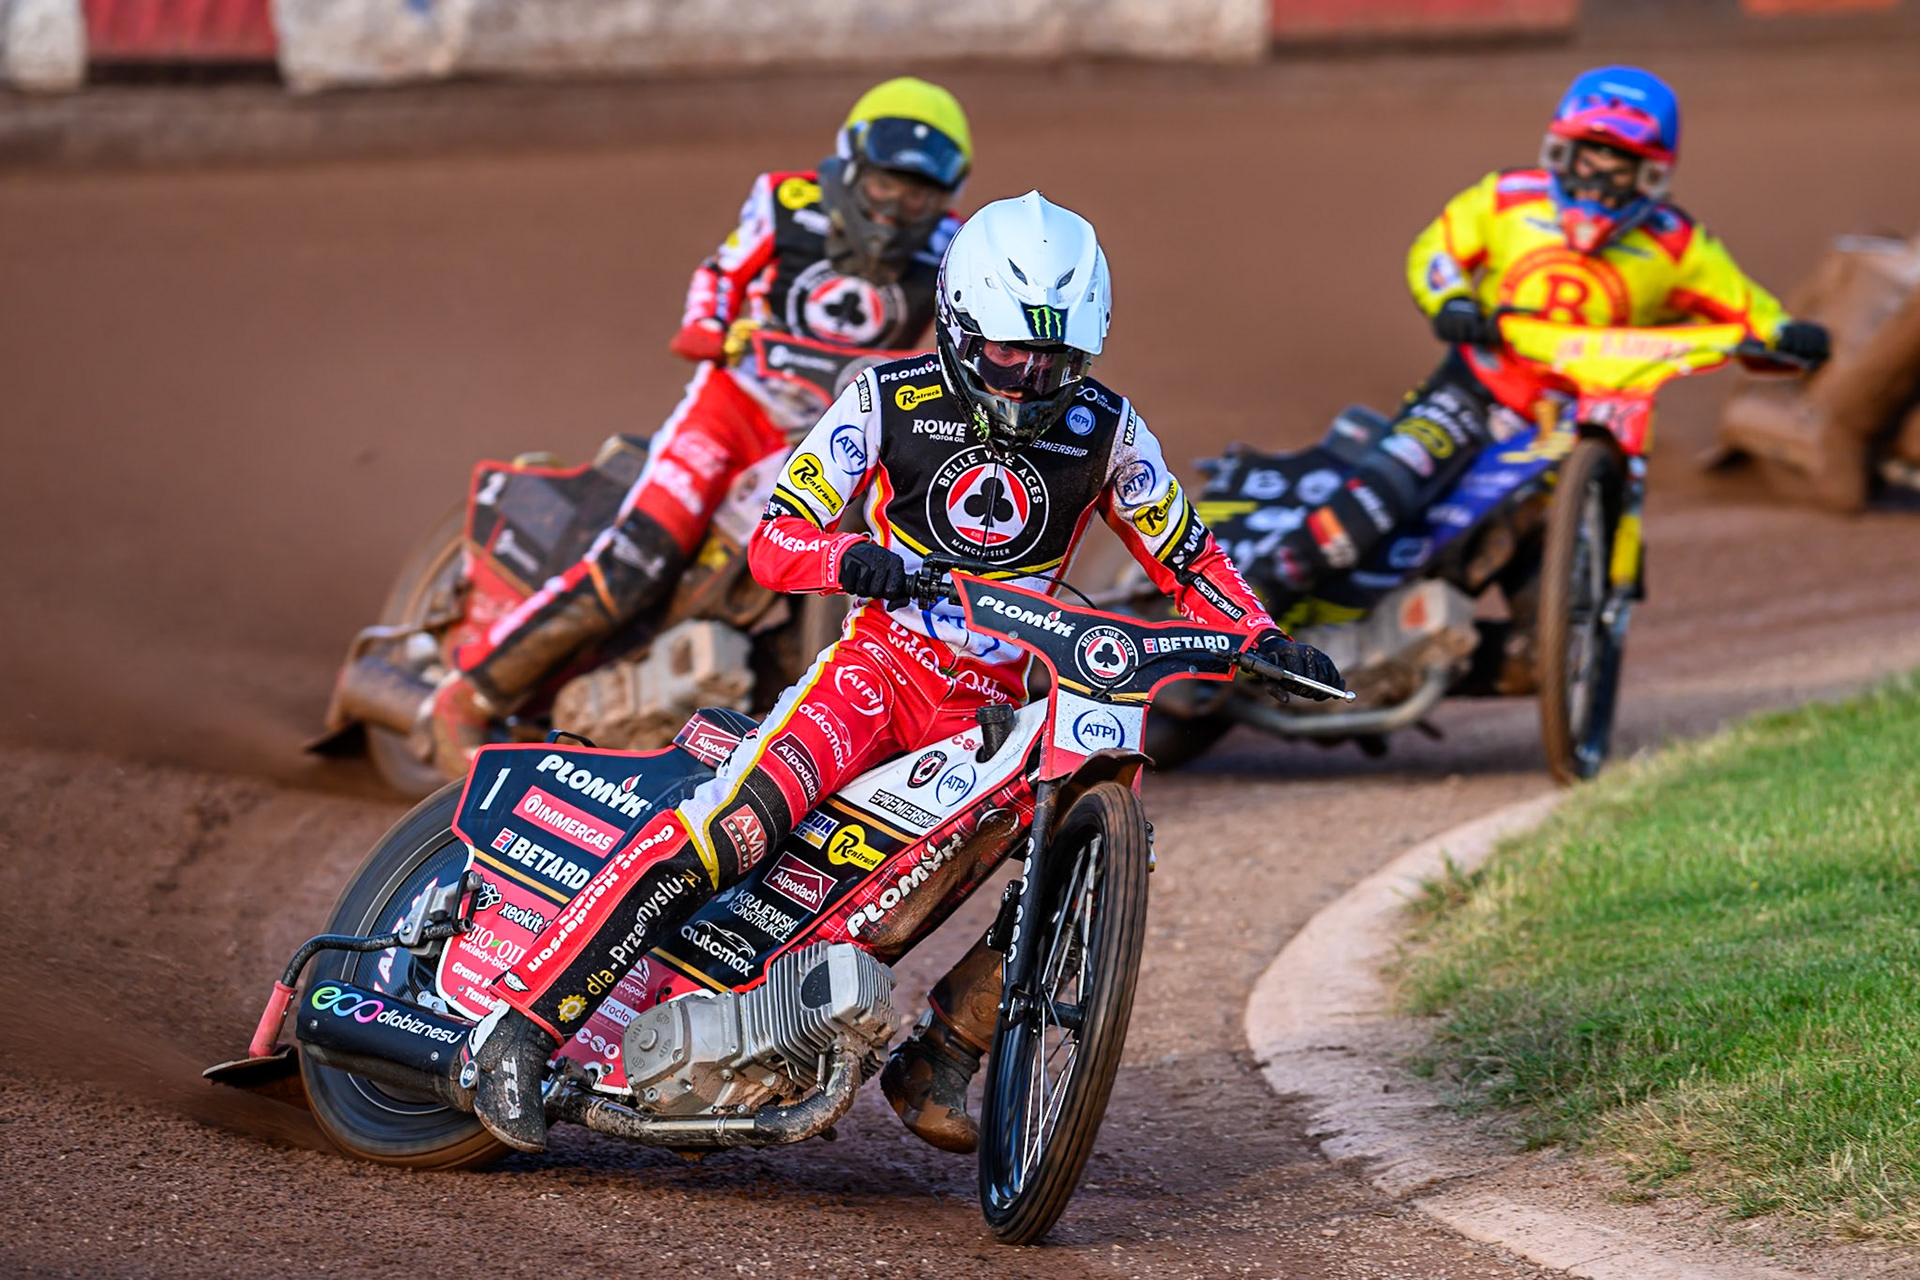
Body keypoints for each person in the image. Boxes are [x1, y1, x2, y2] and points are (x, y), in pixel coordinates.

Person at [466, 191, 1345, 1154]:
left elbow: (1190, 558)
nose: (1029, 379)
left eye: (1056, 361)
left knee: (1072, 849)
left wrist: (1258, 635)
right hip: (874, 677)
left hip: (995, 713)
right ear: (960, 324)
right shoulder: (884, 400)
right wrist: (851, 560)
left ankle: (943, 1054)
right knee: (729, 832)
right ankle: (521, 1026)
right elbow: (774, 541)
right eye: (1010, 352)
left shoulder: (1109, 429)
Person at [426, 77, 976, 773]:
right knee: (639, 561)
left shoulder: (955, 248)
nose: (901, 207)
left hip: (840, 433)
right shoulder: (785, 201)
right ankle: (467, 695)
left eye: (921, 193)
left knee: (895, 551)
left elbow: (965, 338)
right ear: (852, 165)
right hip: (733, 411)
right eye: (889, 184)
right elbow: (719, 274)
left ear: (948, 194)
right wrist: (712, 328)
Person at [1260, 65, 1832, 612]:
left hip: (1592, 417)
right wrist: (1453, 301)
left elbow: (1748, 306)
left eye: (1620, 165)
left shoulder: (1680, 246)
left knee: (1546, 573)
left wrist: (1786, 335)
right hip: (1477, 390)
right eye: (1590, 158)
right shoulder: (1506, 199)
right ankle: (1245, 606)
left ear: (1652, 175)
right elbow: (1436, 249)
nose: (1599, 178)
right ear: (1561, 152)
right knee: (1384, 491)